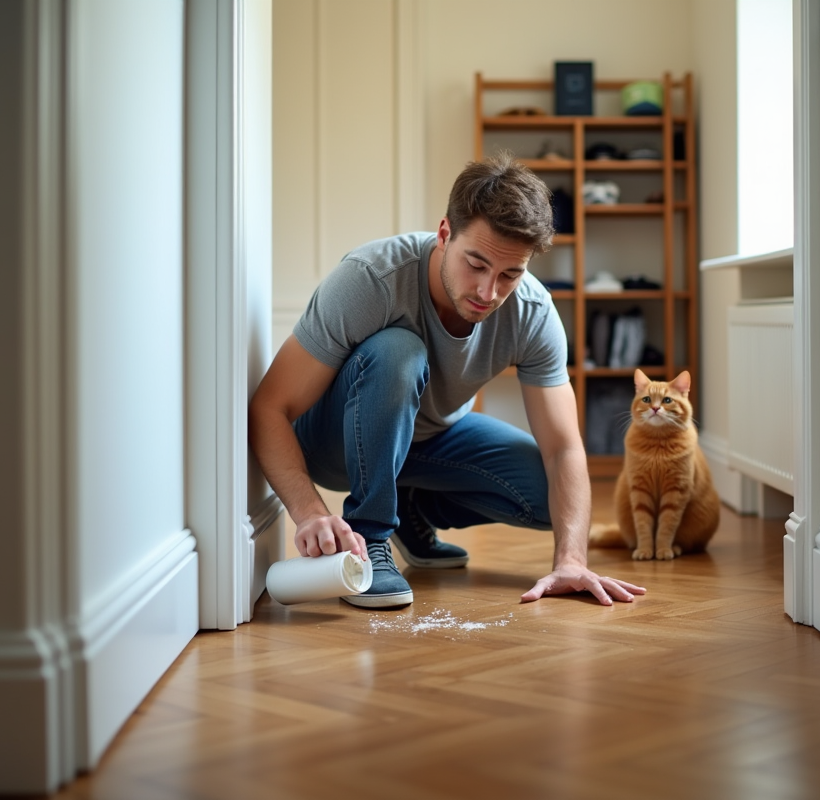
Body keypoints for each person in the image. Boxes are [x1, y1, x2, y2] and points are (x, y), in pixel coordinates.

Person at [248, 153, 646, 609]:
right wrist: (309, 512)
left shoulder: (533, 312)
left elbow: (564, 449)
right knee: (399, 350)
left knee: (546, 495)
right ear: (444, 234)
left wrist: (572, 560)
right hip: (334, 442)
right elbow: (269, 407)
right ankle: (370, 537)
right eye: (475, 264)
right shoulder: (372, 279)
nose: (488, 292)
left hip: (430, 439)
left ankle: (409, 507)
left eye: (510, 274)